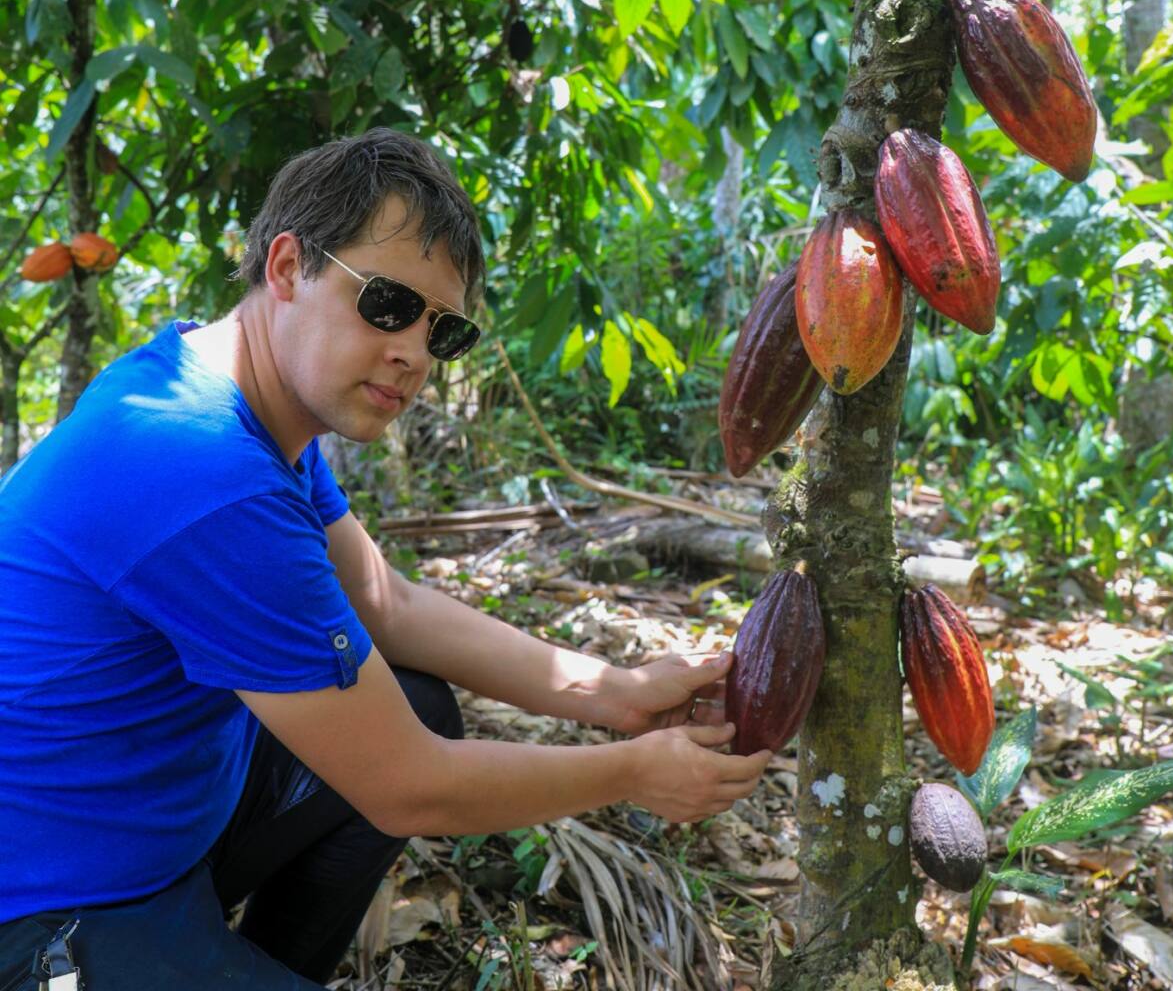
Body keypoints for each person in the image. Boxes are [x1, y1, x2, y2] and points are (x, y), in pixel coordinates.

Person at [0, 128, 771, 991]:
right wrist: (635, 774)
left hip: (154, 831)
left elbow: (386, 604)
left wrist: (618, 695)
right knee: (406, 743)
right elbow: (410, 788)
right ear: (289, 267)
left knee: (415, 702)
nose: (413, 353)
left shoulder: (233, 393)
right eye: (389, 304)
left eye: (443, 331)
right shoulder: (202, 464)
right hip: (47, 909)